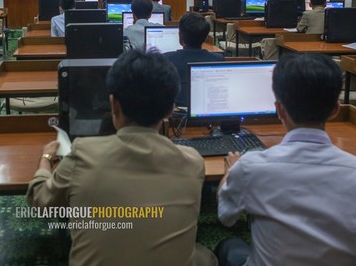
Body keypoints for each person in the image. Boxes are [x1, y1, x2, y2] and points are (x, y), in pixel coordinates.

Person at [27, 50, 217, 266]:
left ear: (114, 104)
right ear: (170, 110)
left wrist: (45, 159)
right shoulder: (193, 162)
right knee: (205, 256)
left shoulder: (83, 154)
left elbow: (40, 202)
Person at [216, 53, 356, 266]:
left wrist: (229, 173)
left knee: (231, 247)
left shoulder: (250, 167)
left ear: (279, 109)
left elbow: (226, 216)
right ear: (335, 110)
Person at [164, 12, 224, 107]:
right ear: (205, 38)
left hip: (175, 117)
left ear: (180, 36)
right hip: (208, 115)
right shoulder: (219, 60)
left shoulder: (166, 60)